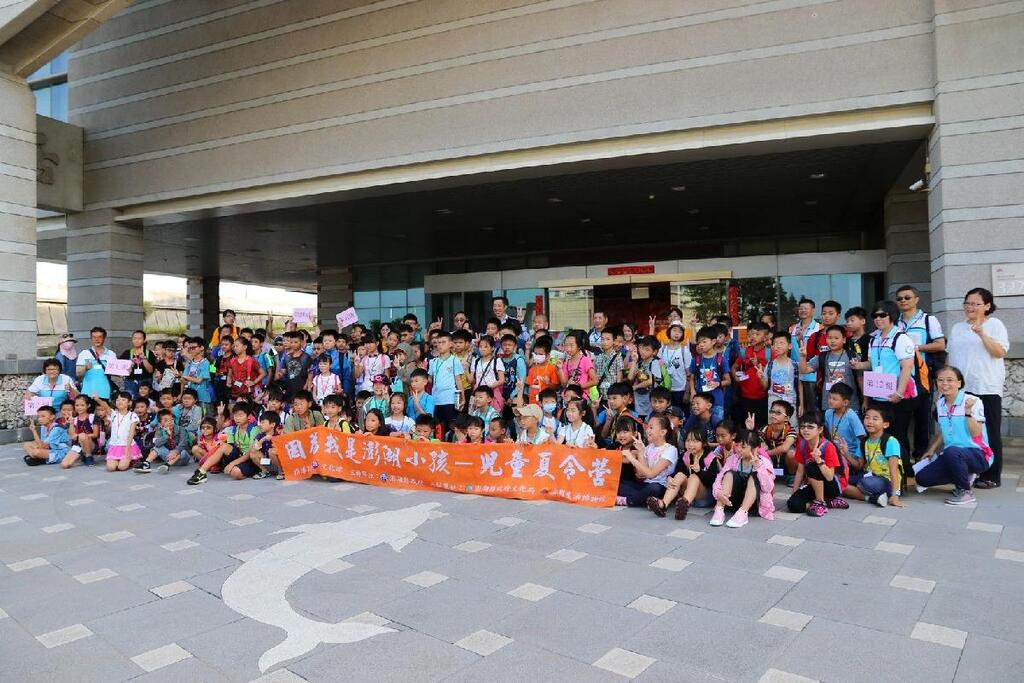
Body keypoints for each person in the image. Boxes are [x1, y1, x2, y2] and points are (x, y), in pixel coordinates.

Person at [947, 287, 1008, 489]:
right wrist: (947, 381)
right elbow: (951, 356)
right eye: (967, 303)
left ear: (987, 306)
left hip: (986, 386)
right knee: (964, 430)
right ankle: (969, 470)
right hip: (961, 388)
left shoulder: (995, 325)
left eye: (975, 304)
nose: (970, 307)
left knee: (989, 431)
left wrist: (982, 334)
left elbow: (999, 352)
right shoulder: (957, 328)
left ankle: (992, 475)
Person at [855, 300, 918, 478]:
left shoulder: (900, 338)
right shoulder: (874, 339)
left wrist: (899, 392)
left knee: (898, 436)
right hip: (879, 395)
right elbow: (871, 363)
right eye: (875, 316)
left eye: (882, 315)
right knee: (880, 435)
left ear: (892, 316)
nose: (878, 319)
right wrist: (858, 365)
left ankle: (904, 475)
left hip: (898, 397)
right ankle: (883, 472)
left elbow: (907, 366)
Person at [916, 366, 994, 506]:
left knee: (952, 451)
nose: (944, 384)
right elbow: (943, 430)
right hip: (953, 455)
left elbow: (976, 433)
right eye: (940, 380)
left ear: (959, 383)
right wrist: (931, 450)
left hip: (979, 454)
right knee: (922, 478)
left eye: (949, 380)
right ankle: (965, 474)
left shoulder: (973, 401)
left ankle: (965, 491)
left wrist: (968, 412)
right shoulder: (940, 403)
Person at [895, 285, 946, 461]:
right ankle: (902, 459)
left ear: (916, 299)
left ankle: (921, 458)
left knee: (922, 419)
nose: (903, 301)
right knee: (901, 420)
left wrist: (914, 347)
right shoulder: (895, 322)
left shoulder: (928, 320)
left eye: (907, 297)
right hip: (900, 377)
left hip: (921, 377)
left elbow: (940, 344)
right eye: (899, 298)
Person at [786, 411, 849, 516]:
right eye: (803, 427)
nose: (805, 430)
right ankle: (828, 502)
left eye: (810, 427)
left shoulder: (828, 446)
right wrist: (794, 493)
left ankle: (820, 502)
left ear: (820, 429)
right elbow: (800, 471)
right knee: (793, 505)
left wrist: (819, 461)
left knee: (811, 465)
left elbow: (829, 477)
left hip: (832, 486)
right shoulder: (802, 444)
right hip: (813, 485)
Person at [710, 429, 775, 527]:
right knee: (729, 474)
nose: (739, 449)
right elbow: (719, 477)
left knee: (754, 476)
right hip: (732, 502)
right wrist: (718, 492)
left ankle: (742, 513)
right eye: (737, 445)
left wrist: (759, 467)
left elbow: (768, 488)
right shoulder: (733, 459)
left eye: (743, 447)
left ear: (754, 448)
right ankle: (719, 509)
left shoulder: (764, 462)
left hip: (753, 504)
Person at [844, 405, 902, 508]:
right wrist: (845, 453)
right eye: (867, 417)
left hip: (886, 480)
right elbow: (859, 465)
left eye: (875, 419)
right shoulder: (864, 441)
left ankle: (885, 494)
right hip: (869, 475)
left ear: (885, 424)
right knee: (840, 483)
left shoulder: (890, 441)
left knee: (865, 483)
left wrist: (895, 495)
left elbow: (894, 471)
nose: (870, 421)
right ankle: (875, 499)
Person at [648, 427, 710, 517]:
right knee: (680, 475)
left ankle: (684, 504)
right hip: (687, 495)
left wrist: (700, 471)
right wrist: (669, 477)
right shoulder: (685, 455)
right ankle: (663, 504)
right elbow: (677, 471)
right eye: (688, 440)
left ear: (703, 443)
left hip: (703, 498)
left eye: (695, 441)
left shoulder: (709, 457)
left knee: (694, 477)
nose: (690, 444)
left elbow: (712, 481)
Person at [616, 415, 677, 507]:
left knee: (654, 488)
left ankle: (626, 500)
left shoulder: (670, 450)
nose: (647, 430)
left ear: (663, 432)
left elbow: (651, 474)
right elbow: (641, 474)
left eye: (651, 427)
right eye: (648, 427)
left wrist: (631, 458)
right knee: (617, 482)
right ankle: (644, 500)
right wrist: (641, 452)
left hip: (661, 486)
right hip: (644, 485)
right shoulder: (649, 448)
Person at [800, 325, 858, 412]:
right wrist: (803, 356)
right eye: (829, 338)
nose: (832, 341)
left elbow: (860, 378)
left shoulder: (852, 356)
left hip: (850, 404)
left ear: (844, 340)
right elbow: (804, 370)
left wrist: (865, 400)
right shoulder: (822, 356)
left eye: (836, 338)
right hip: (828, 404)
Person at [732, 321, 771, 428]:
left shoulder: (770, 353)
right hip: (745, 396)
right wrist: (735, 377)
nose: (753, 337)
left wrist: (758, 364)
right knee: (746, 426)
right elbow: (734, 367)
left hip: (763, 396)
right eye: (751, 334)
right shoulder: (744, 352)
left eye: (757, 334)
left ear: (765, 337)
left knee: (762, 426)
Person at [687, 326, 729, 424]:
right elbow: (692, 377)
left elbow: (728, 380)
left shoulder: (721, 359)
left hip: (717, 400)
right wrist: (692, 391)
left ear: (713, 341)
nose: (701, 345)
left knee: (717, 425)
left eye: (704, 342)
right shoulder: (696, 360)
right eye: (699, 342)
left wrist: (718, 383)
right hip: (699, 400)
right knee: (699, 426)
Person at [790, 297, 822, 417]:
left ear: (813, 311)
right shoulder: (793, 328)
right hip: (795, 373)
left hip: (811, 374)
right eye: (801, 308)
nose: (803, 310)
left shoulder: (819, 327)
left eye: (806, 308)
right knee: (798, 408)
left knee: (812, 408)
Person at [135, 409, 193, 473]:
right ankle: (146, 464)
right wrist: (167, 436)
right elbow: (156, 443)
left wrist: (176, 452)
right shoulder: (159, 431)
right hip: (168, 456)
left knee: (183, 451)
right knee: (157, 447)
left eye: (171, 420)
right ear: (160, 423)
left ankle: (166, 466)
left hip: (182, 458)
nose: (170, 422)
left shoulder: (181, 429)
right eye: (166, 420)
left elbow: (183, 444)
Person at [428, 330, 464, 434]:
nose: (440, 345)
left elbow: (458, 380)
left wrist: (463, 398)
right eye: (438, 342)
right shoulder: (433, 361)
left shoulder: (454, 360)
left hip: (450, 399)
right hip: (436, 399)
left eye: (443, 342)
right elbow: (430, 379)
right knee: (437, 428)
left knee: (452, 426)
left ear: (450, 344)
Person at [753, 399, 797, 480]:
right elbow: (756, 444)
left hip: (785, 461)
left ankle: (791, 476)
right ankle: (766, 475)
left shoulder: (790, 430)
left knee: (791, 454)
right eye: (772, 411)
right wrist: (751, 429)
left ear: (787, 418)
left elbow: (784, 448)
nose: (773, 415)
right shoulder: (764, 429)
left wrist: (766, 453)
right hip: (770, 460)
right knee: (757, 450)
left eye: (778, 413)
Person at [101, 391, 141, 472]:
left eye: (123, 400)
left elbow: (131, 433)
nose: (120, 401)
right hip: (115, 445)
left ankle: (132, 460)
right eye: (118, 400)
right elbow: (105, 405)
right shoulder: (113, 414)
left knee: (122, 467)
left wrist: (127, 448)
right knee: (110, 468)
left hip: (127, 445)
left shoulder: (132, 415)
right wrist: (97, 399)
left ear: (129, 403)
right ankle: (119, 460)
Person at [76, 326, 117, 400]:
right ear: (91, 339)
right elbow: (78, 373)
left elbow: (116, 372)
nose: (96, 339)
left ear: (104, 338)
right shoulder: (84, 353)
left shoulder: (111, 354)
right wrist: (85, 368)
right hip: (87, 392)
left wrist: (126, 370)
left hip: (105, 391)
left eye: (99, 337)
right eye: (94, 337)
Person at [659, 321, 691, 409]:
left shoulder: (684, 350)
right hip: (665, 389)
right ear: (669, 331)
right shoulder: (662, 349)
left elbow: (689, 374)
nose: (677, 333)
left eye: (680, 332)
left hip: (680, 390)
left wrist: (687, 392)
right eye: (674, 330)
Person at [119, 330, 156, 397]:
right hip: (130, 382)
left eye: (139, 338)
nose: (137, 340)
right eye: (135, 338)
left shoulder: (149, 353)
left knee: (144, 400)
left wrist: (144, 358)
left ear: (144, 340)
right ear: (132, 340)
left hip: (145, 382)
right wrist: (130, 366)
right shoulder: (127, 353)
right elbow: (121, 369)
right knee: (130, 399)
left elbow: (150, 370)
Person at [66, 395, 99, 467]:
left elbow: (95, 434)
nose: (79, 407)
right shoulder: (74, 419)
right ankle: (83, 456)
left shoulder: (92, 417)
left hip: (91, 445)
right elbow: (72, 436)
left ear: (88, 405)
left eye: (82, 405)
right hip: (78, 445)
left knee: (82, 435)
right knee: (65, 465)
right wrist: (71, 423)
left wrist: (82, 436)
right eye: (77, 405)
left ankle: (88, 456)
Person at [593, 328, 625, 405]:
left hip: (612, 396)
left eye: (608, 339)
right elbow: (595, 376)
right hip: (599, 395)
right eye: (602, 339)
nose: (604, 342)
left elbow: (619, 379)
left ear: (614, 341)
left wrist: (616, 396)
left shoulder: (618, 357)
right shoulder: (598, 357)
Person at [526, 336, 560, 405]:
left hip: (546, 403)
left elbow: (556, 388)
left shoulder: (553, 368)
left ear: (548, 355)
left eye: (541, 354)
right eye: (535, 354)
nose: (537, 356)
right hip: (533, 402)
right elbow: (530, 387)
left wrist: (548, 383)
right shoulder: (532, 369)